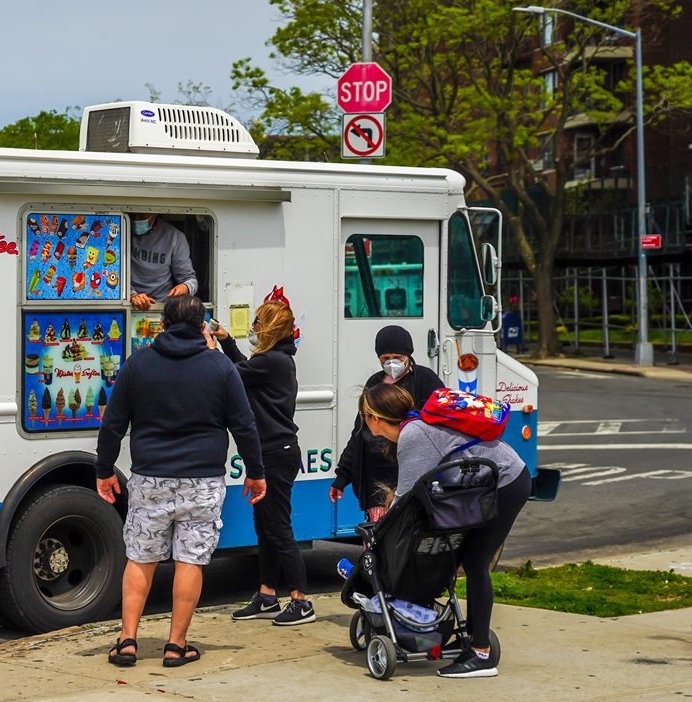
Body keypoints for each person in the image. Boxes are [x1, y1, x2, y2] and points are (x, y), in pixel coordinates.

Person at [96, 294, 266, 668]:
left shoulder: (137, 365)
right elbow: (244, 424)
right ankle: (176, 646)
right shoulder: (220, 367)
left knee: (140, 558)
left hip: (150, 478)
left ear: (162, 324)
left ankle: (127, 641)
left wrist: (104, 469)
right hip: (202, 481)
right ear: (202, 326)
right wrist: (255, 472)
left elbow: (113, 424)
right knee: (190, 560)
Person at [360, 383, 530, 679]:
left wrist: (381, 531)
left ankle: (480, 655)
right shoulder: (415, 429)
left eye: (365, 415)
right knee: (469, 556)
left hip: (506, 483)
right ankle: (475, 642)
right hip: (500, 481)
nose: (365, 421)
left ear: (374, 417)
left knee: (476, 561)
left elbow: (407, 498)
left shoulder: (413, 434)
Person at [210, 289, 314, 626]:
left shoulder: (272, 362)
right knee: (265, 526)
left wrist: (213, 350)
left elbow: (233, 374)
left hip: (276, 453)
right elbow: (244, 367)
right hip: (273, 451)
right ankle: (268, 594)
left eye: (257, 323)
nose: (252, 327)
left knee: (278, 527)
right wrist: (227, 342)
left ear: (268, 329)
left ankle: (301, 599)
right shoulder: (277, 360)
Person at [330, 325, 443, 521]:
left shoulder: (425, 381)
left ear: (408, 355)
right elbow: (359, 433)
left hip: (409, 476)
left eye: (397, 358)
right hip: (375, 480)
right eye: (385, 358)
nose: (391, 363)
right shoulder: (375, 383)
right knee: (379, 537)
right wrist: (342, 477)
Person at [128, 213, 198, 311]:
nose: (136, 219)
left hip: (163, 308)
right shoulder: (119, 231)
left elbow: (191, 281)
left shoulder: (175, 237)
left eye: (141, 216)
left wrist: (184, 287)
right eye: (133, 216)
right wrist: (131, 294)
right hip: (128, 303)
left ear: (154, 214)